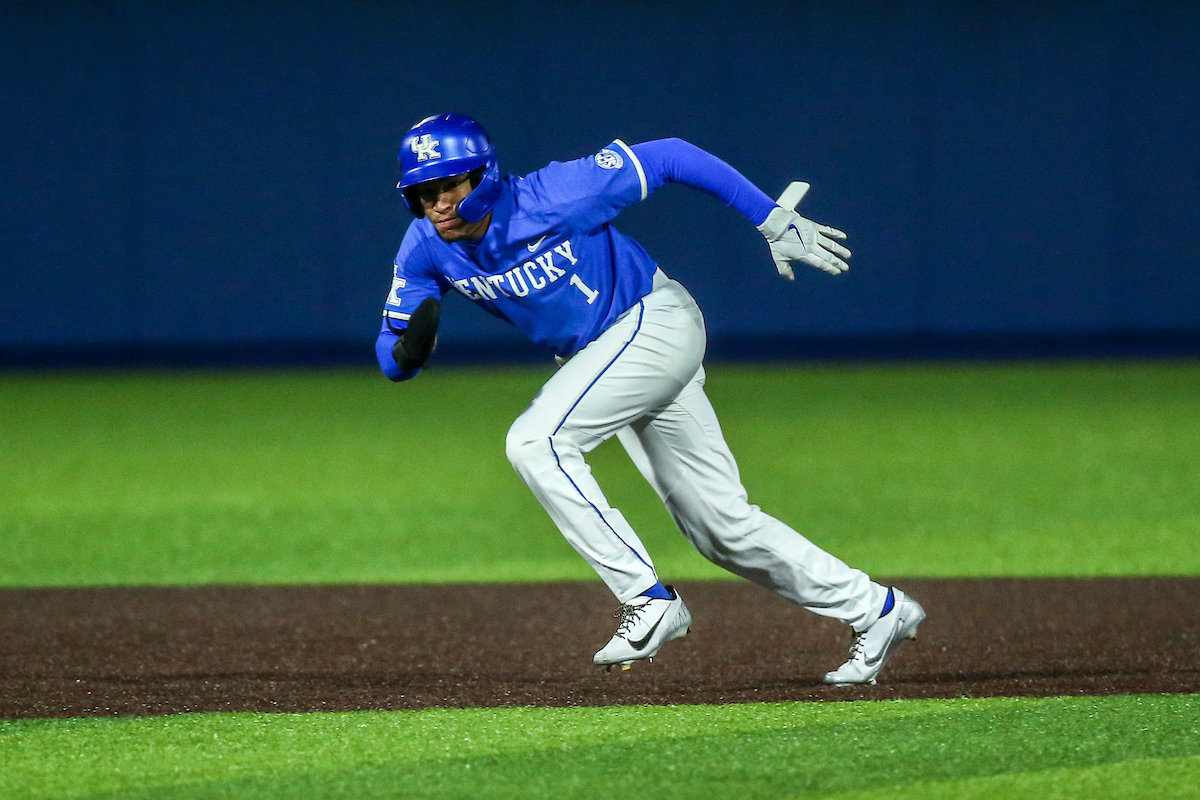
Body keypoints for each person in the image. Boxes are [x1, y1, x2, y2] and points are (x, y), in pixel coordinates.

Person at [376, 113, 925, 685]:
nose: (436, 203)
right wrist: (407, 353)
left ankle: (647, 599)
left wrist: (768, 217)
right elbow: (391, 350)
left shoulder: (554, 193)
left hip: (654, 323)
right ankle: (876, 610)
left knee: (536, 441)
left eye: (448, 186)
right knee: (721, 530)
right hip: (610, 362)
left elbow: (672, 154)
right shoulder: (425, 247)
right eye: (422, 192)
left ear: (482, 178)